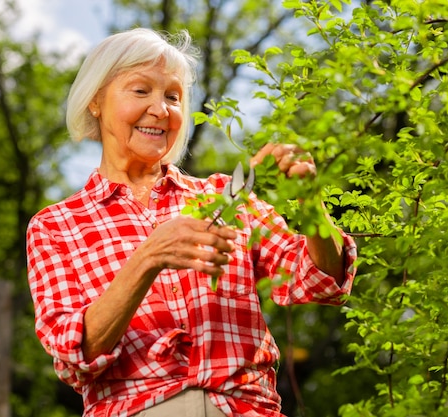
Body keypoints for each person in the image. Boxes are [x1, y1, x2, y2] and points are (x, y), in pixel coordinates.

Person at [26, 28, 357, 417]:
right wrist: (148, 258)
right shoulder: (56, 226)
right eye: (140, 91)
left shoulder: (226, 197)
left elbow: (322, 281)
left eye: (173, 96)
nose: (161, 109)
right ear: (96, 101)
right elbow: (74, 353)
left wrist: (311, 201)